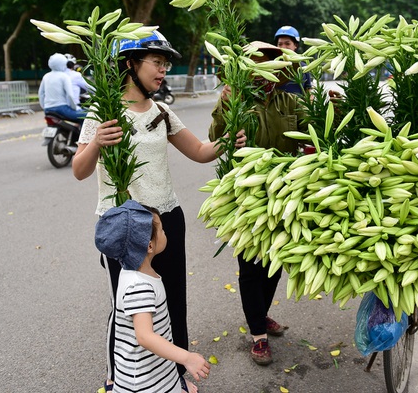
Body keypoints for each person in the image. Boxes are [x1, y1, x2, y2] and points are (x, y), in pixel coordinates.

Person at [73, 30, 246, 393]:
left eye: (166, 64)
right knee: (127, 307)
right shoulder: (103, 113)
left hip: (167, 219)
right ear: (130, 64)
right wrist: (97, 144)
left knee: (171, 297)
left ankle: (175, 371)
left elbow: (199, 151)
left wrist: (228, 140)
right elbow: (79, 169)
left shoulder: (162, 111)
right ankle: (118, 372)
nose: (163, 70)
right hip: (123, 223)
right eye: (157, 62)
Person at [209, 41, 308, 365]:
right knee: (251, 267)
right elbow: (216, 135)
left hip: (284, 194)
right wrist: (226, 106)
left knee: (274, 263)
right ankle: (258, 334)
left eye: (271, 63)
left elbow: (315, 127)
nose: (266, 70)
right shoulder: (235, 100)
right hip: (248, 196)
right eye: (259, 63)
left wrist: (326, 106)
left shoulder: (289, 101)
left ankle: (261, 314)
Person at [95, 199, 210, 392]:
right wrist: (186, 358)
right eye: (162, 230)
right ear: (149, 246)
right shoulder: (139, 286)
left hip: (157, 370)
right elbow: (145, 337)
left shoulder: (133, 272)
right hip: (143, 383)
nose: (165, 233)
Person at [38, 53, 87, 122]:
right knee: (88, 115)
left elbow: (41, 93)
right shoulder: (64, 76)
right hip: (62, 109)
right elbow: (69, 95)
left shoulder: (46, 76)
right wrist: (75, 108)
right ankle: (83, 132)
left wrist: (44, 107)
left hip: (48, 110)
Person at [274, 26, 312, 95]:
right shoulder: (273, 67)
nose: (283, 47)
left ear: (296, 45)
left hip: (299, 105)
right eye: (280, 44)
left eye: (287, 43)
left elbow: (308, 91)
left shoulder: (303, 67)